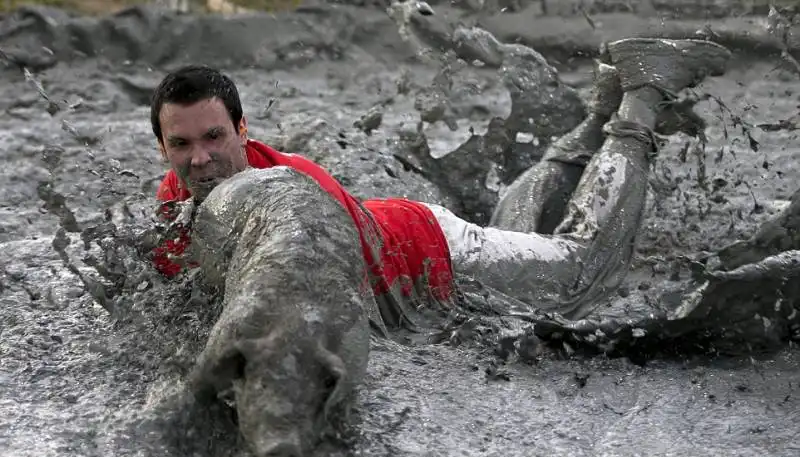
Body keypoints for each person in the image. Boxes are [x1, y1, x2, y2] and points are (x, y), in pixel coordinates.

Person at [149, 37, 736, 328]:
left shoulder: (293, 187)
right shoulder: (173, 201)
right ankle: (598, 108)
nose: (200, 160)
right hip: (402, 228)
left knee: (578, 271)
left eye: (214, 138)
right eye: (181, 144)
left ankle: (642, 94)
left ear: (242, 128)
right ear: (163, 146)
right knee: (519, 237)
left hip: (437, 253)